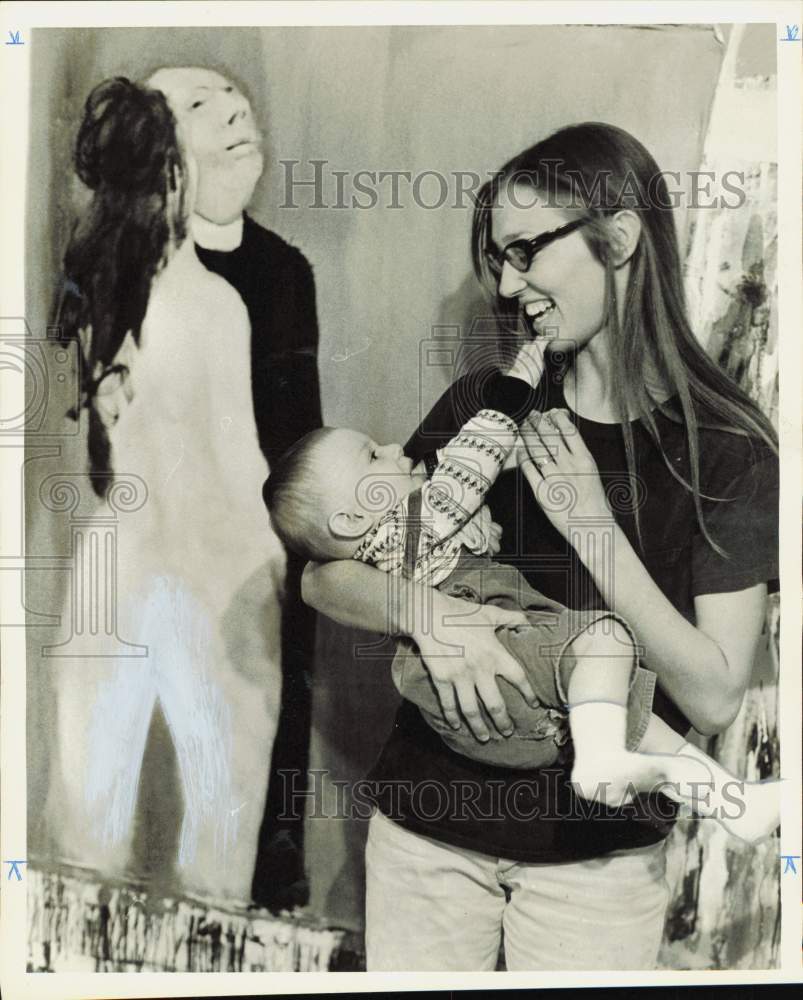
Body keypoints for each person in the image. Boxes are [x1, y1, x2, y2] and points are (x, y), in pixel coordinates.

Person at [301, 122, 780, 970]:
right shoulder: (487, 404)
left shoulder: (730, 452)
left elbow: (710, 697)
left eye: (526, 250)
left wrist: (591, 527)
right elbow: (327, 575)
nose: (509, 283)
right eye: (499, 258)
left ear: (619, 237)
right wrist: (432, 616)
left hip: (595, 864)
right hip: (427, 835)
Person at [265, 344, 778, 844]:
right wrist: (514, 392)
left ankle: (733, 803)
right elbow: (471, 462)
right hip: (488, 711)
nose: (396, 450)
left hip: (494, 725)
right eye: (373, 455)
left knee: (626, 713)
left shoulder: (385, 538)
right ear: (350, 519)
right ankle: (602, 762)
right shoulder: (413, 518)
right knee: (605, 642)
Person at [48, 76, 285, 903]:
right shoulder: (215, 305)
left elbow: (113, 452)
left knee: (85, 833)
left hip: (114, 568)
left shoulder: (99, 297)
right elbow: (239, 458)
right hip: (209, 572)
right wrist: (279, 565)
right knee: (219, 837)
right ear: (173, 174)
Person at [146, 66, 323, 910]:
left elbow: (296, 432)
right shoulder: (132, 268)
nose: (234, 111)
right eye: (198, 106)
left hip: (261, 545)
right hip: (160, 548)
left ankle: (267, 869)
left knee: (266, 711)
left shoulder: (284, 271)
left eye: (235, 99)